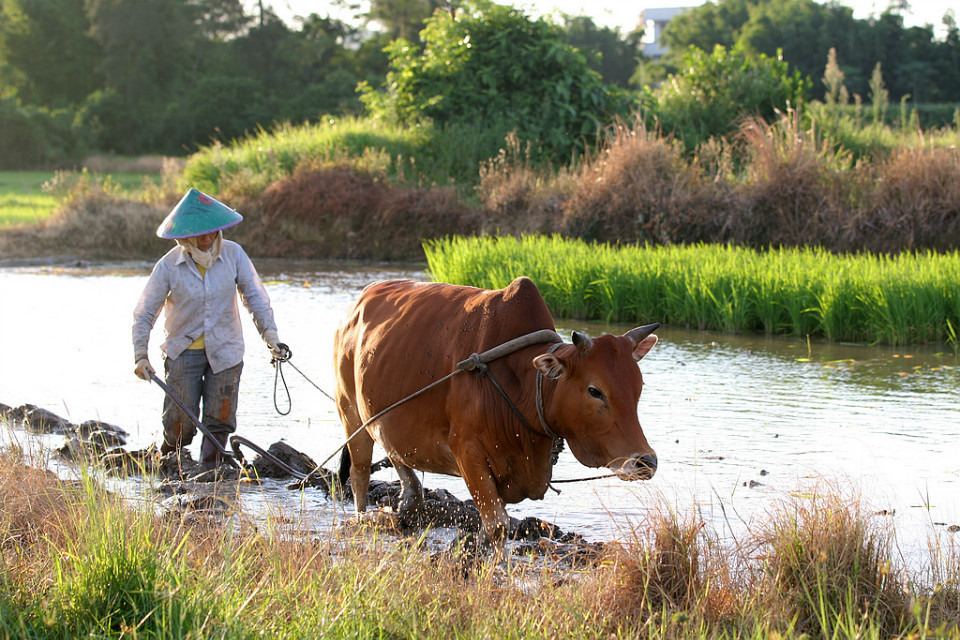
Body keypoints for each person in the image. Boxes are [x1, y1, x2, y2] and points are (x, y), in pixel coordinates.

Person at [132, 188, 289, 468]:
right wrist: (141, 356)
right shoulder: (168, 266)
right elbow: (145, 312)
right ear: (185, 236)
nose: (206, 239)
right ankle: (169, 465)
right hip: (183, 352)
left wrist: (272, 338)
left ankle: (211, 474)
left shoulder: (234, 255)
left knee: (220, 419)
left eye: (212, 233)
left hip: (226, 352)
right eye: (200, 234)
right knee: (180, 422)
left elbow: (255, 298)